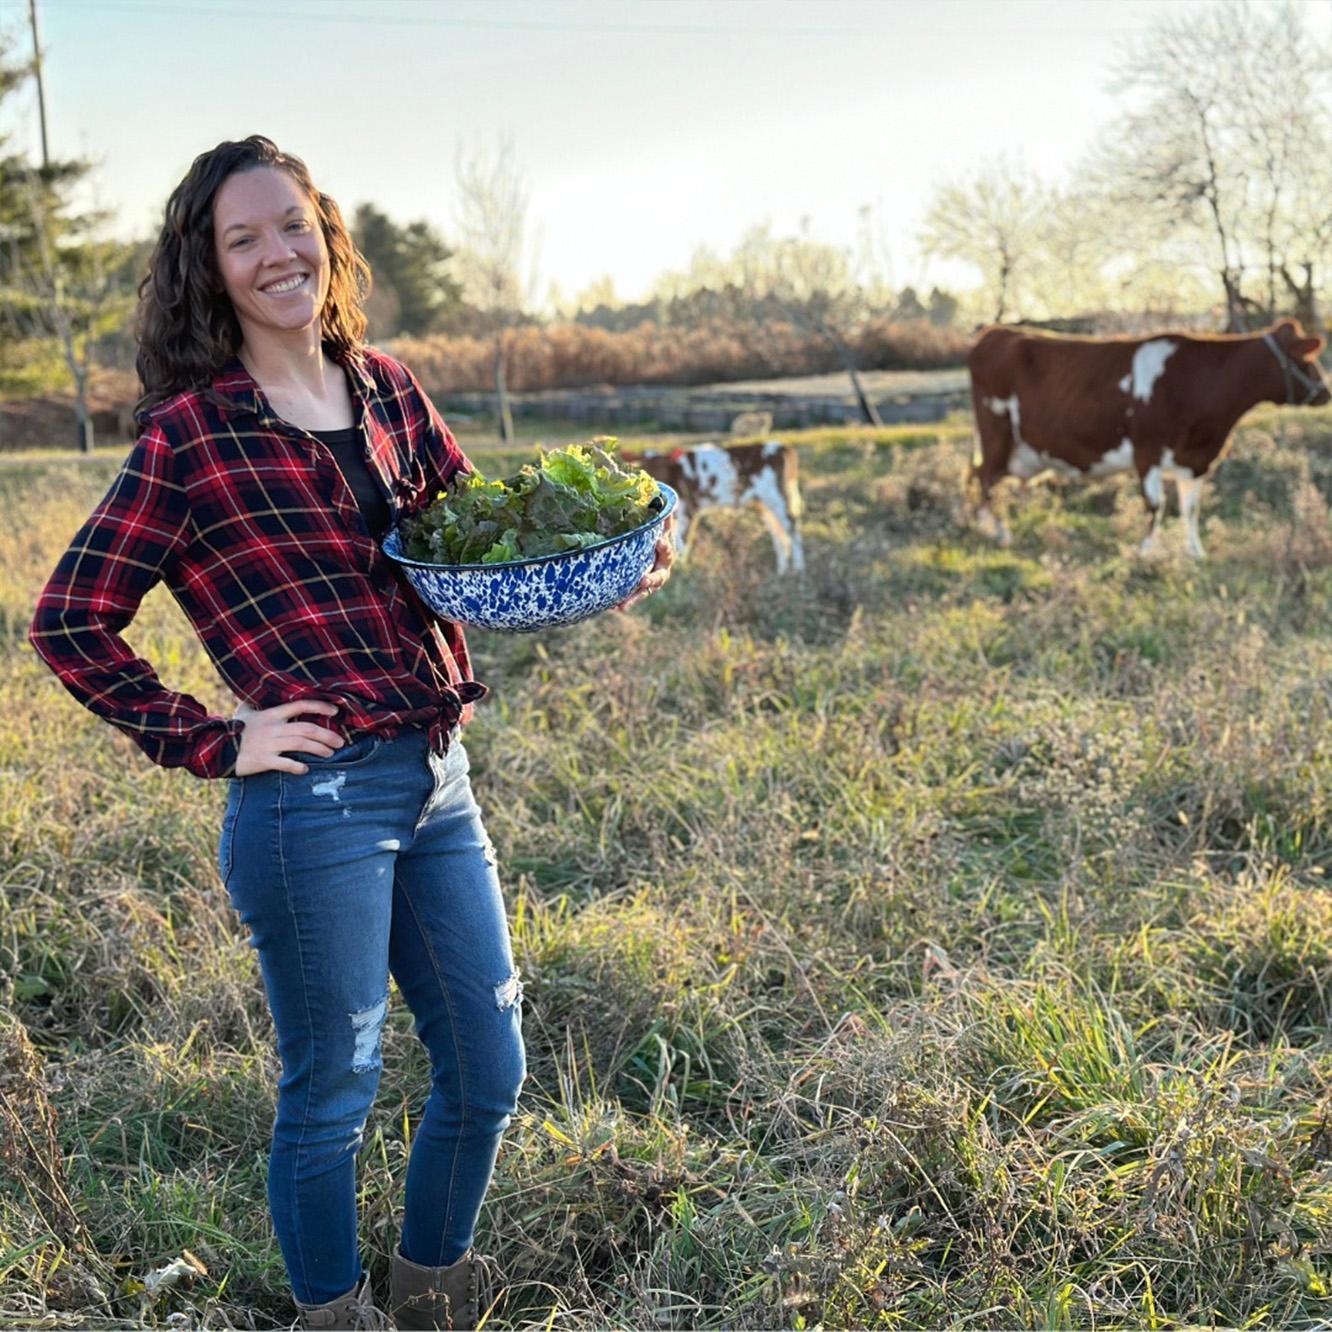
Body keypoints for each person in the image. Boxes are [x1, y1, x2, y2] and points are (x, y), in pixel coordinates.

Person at [27, 135, 673, 1332]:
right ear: (208, 270)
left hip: (437, 776)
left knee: (489, 1070)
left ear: (325, 233)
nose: (278, 253)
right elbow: (70, 622)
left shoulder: (387, 388)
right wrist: (215, 738)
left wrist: (603, 563)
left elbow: (474, 550)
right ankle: (337, 1318)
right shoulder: (192, 436)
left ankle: (431, 1302)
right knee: (335, 1091)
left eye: (293, 224)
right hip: (311, 804)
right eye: (243, 238)